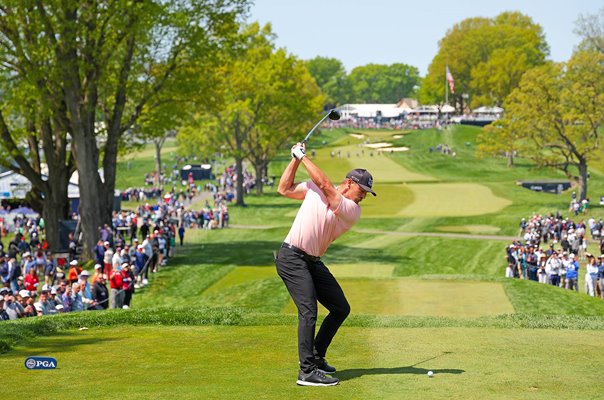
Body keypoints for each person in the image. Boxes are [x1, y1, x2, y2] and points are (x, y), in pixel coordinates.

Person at [274, 142, 375, 387]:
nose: (363, 196)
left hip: (312, 261)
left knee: (340, 308)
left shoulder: (351, 209)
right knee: (308, 311)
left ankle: (317, 356)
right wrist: (295, 159)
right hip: (292, 257)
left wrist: (303, 156)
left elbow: (326, 186)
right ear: (349, 182)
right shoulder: (313, 190)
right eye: (361, 190)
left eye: (366, 193)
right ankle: (306, 371)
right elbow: (284, 188)